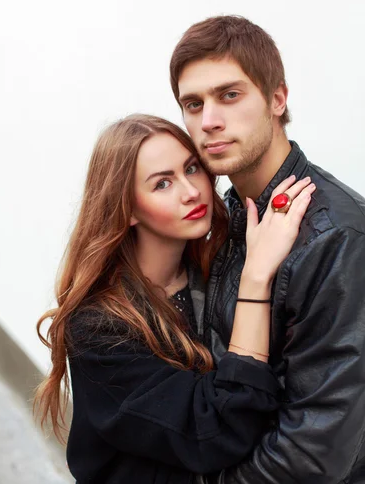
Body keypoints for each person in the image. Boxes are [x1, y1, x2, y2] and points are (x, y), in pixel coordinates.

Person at [34, 114, 314, 484]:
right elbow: (214, 431)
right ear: (128, 208)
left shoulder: (214, 269)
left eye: (192, 168)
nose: (191, 191)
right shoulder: (99, 328)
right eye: (162, 183)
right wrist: (256, 279)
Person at [169, 15, 365, 484]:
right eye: (192, 104)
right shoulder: (225, 212)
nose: (209, 121)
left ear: (278, 99)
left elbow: (314, 451)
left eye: (229, 95)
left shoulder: (335, 238)